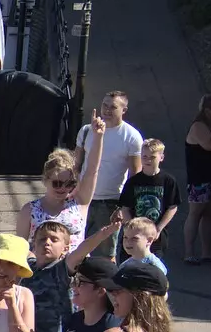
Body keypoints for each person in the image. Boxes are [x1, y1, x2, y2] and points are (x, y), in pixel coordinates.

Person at [26, 215, 123, 332]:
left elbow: (80, 252)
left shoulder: (60, 269)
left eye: (54, 239)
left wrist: (103, 234)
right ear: (33, 245)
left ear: (65, 248)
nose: (47, 243)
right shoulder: (27, 267)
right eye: (42, 239)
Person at [14, 125, 104, 250]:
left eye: (69, 184)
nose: (63, 188)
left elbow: (92, 170)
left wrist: (98, 137)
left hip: (75, 266)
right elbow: (19, 249)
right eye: (57, 183)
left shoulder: (79, 202)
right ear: (45, 180)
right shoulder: (29, 210)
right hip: (43, 267)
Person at [75, 90, 143, 250]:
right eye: (104, 105)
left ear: (123, 110)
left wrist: (124, 207)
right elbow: (75, 164)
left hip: (110, 202)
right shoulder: (86, 130)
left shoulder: (131, 137)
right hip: (82, 200)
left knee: (105, 253)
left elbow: (135, 176)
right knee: (75, 248)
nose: (106, 110)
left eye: (112, 107)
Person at [117, 138, 179, 260]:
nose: (148, 160)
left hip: (155, 236)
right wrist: (131, 228)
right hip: (134, 236)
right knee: (129, 266)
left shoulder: (168, 181)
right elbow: (125, 207)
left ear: (161, 157)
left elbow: (172, 207)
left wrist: (159, 228)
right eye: (144, 156)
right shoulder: (133, 182)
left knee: (153, 266)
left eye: (152, 157)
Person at [61, 257, 120, 332]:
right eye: (74, 280)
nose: (73, 286)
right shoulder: (72, 321)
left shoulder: (112, 329)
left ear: (100, 291)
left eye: (80, 282)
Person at [181, 92, 211, 264]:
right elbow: (209, 145)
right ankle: (189, 253)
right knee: (196, 213)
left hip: (210, 177)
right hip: (199, 179)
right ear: (208, 110)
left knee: (209, 214)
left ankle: (207, 253)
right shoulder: (199, 126)